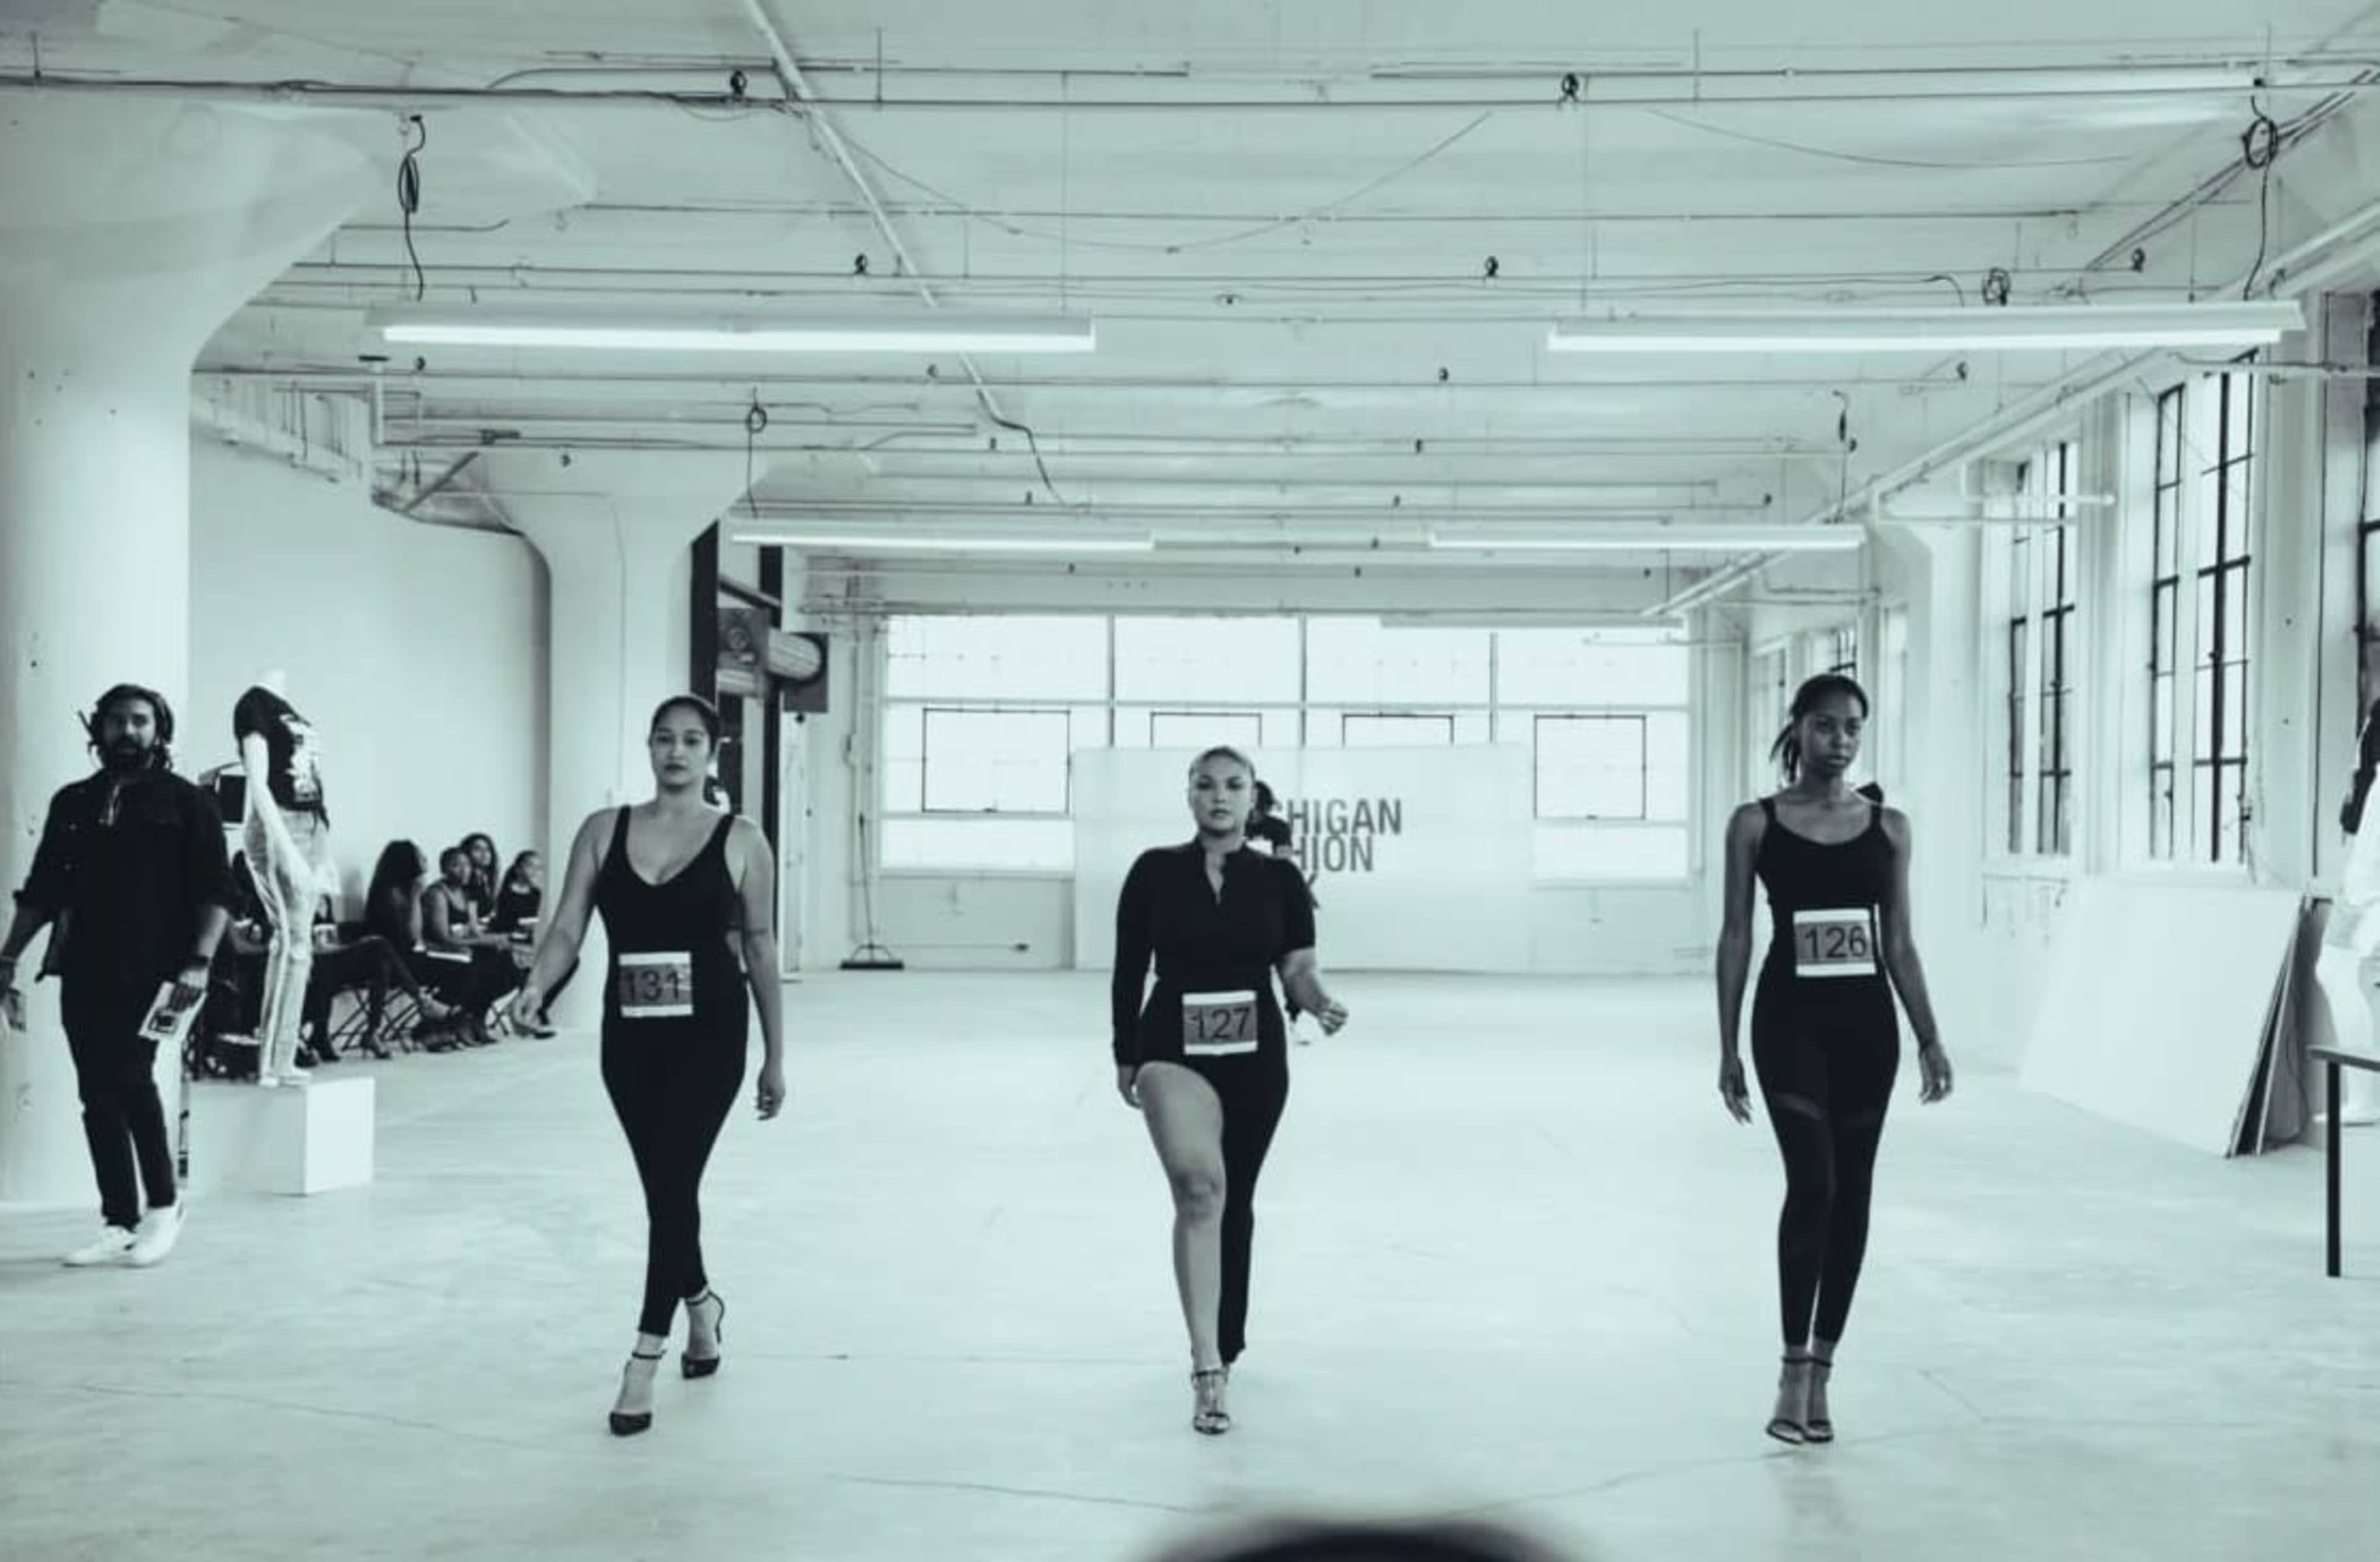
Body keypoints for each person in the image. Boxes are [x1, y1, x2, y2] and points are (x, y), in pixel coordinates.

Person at [508, 693, 788, 1437]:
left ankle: (642, 1357)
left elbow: (759, 946)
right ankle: (703, 1307)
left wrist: (775, 1056)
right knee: (668, 1191)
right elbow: (568, 924)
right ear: (649, 747)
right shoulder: (605, 830)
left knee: (674, 1184)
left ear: (712, 752)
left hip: (712, 1036)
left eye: (692, 740)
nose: (676, 752)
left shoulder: (742, 839)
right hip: (629, 1038)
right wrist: (537, 983)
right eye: (664, 739)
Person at [1714, 672, 1954, 1446]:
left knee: (1853, 1193)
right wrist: (1725, 1046)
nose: (1840, 741)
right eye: (1825, 726)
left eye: (1852, 727)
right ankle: (1789, 1367)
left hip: (1865, 1028)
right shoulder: (1755, 824)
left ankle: (1822, 1372)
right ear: (1798, 729)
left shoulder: (1890, 829)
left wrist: (1929, 1033)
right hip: (1788, 1020)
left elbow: (1899, 944)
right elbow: (1737, 936)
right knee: (1812, 1182)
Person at [1111, 745, 1348, 1435]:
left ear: (1254, 800)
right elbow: (1130, 969)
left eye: (1233, 786)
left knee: (1232, 1200)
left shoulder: (1279, 879)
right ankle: (1207, 1365)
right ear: (1188, 796)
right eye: (1205, 785)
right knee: (1198, 1188)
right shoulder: (1153, 872)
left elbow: (1296, 967)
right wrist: (1126, 1052)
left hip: (1257, 1058)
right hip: (1171, 1049)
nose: (1219, 796)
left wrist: (1320, 1000)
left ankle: (1228, 1335)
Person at [0, 683, 235, 1268]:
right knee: (95, 1092)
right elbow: (43, 889)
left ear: (160, 731)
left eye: (139, 721)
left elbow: (216, 890)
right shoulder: (73, 801)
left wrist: (199, 962)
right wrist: (7, 957)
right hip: (83, 966)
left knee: (132, 1077)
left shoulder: (189, 802)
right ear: (98, 729)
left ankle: (164, 1205)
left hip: (159, 969)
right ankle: (118, 1218)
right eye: (116, 721)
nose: (127, 731)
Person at [361, 841, 477, 1048]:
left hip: (410, 959)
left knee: (464, 968)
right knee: (459, 970)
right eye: (420, 857)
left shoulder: (405, 890)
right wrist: (416, 897)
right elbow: (413, 937)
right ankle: (432, 1021)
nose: (425, 861)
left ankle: (433, 1027)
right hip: (395, 964)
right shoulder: (391, 894)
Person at [459, 832, 501, 922]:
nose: (484, 854)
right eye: (478, 849)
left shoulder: (488, 879)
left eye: (487, 849)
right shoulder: (462, 880)